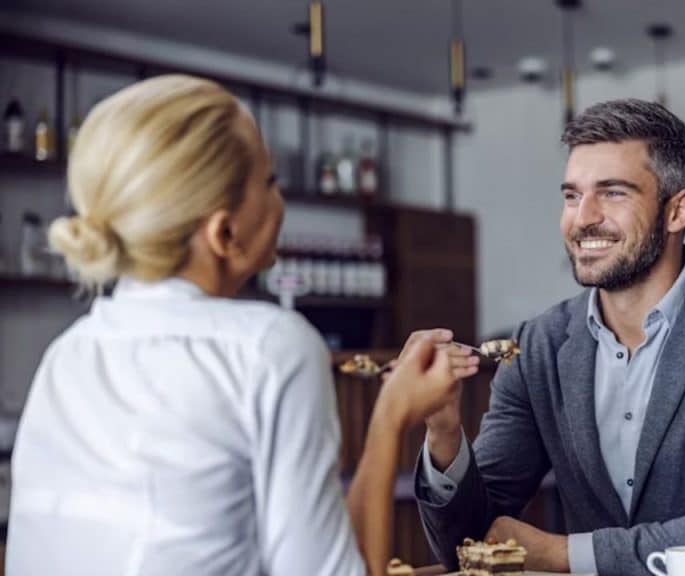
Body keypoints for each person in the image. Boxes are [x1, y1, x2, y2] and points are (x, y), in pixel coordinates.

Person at [5, 74, 479, 576]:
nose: (280, 202)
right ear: (224, 232)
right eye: (269, 181)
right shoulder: (271, 347)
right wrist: (391, 415)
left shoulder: (66, 353)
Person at [415, 99, 685, 576]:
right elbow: (471, 542)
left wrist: (562, 554)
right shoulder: (537, 347)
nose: (582, 218)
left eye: (612, 193)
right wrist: (442, 430)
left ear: (677, 211)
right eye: (571, 196)